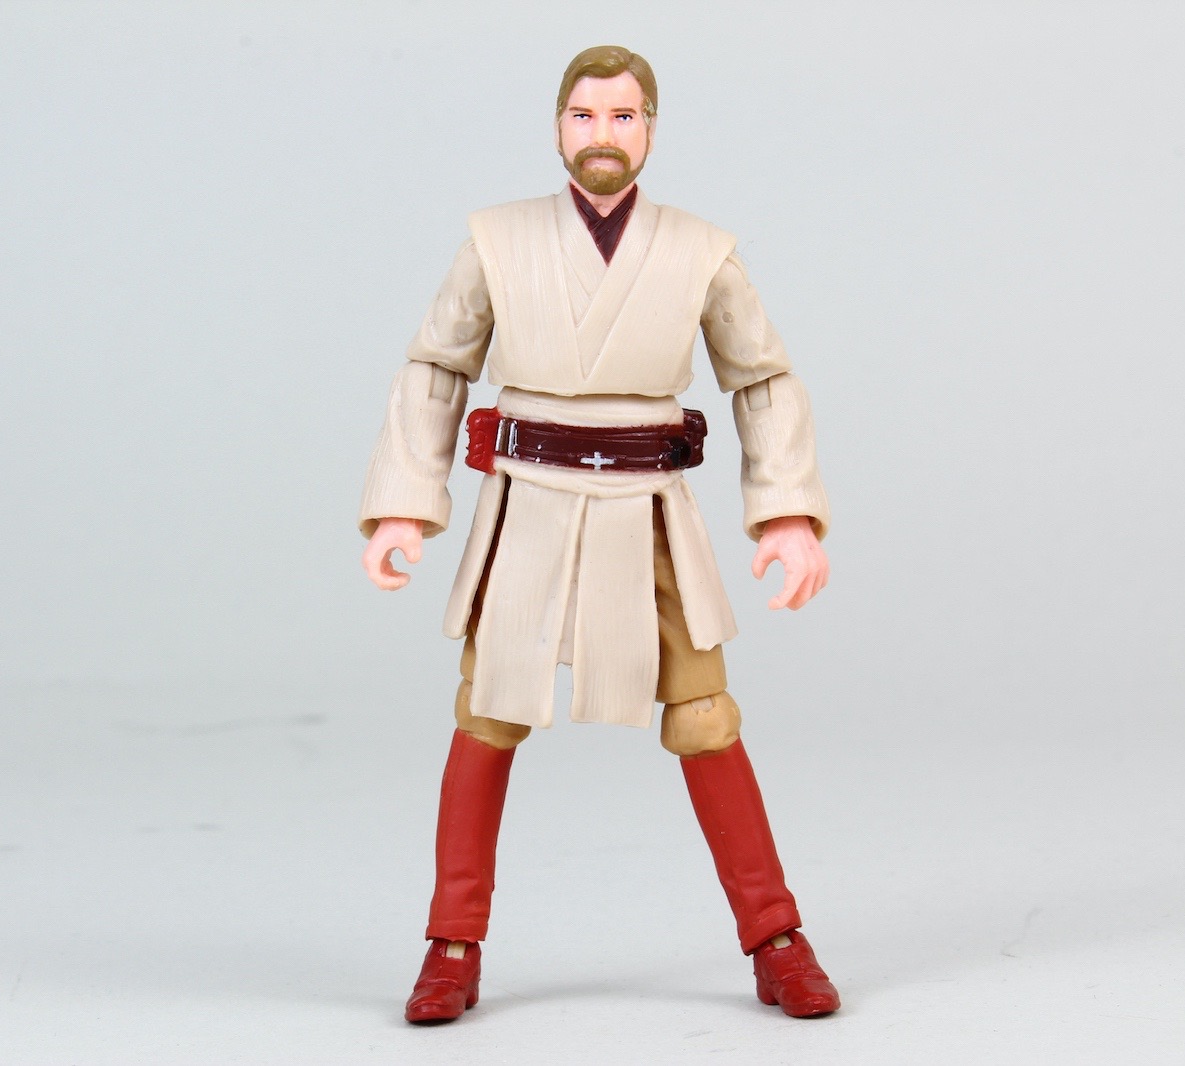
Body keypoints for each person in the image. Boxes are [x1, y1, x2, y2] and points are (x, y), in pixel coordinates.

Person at [359, 44, 839, 1023]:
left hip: (648, 511)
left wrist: (786, 510)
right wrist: (407, 497)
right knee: (488, 710)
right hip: (526, 507)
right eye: (584, 115)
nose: (603, 134)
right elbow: (437, 365)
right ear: (556, 127)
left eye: (623, 116)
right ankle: (451, 942)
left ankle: (776, 936)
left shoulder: (699, 250)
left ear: (650, 130)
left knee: (704, 717)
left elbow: (762, 378)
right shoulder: (497, 241)